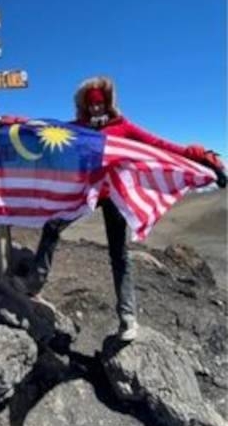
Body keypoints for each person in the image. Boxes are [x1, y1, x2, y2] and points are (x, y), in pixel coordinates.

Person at [22, 77, 223, 342]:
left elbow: (158, 145)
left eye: (100, 103)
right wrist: (17, 127)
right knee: (52, 227)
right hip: (87, 193)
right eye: (91, 103)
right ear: (84, 105)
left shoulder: (122, 127)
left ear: (108, 103)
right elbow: (49, 132)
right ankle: (33, 285)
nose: (96, 108)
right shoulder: (79, 129)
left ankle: (128, 318)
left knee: (120, 255)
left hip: (115, 194)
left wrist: (195, 155)